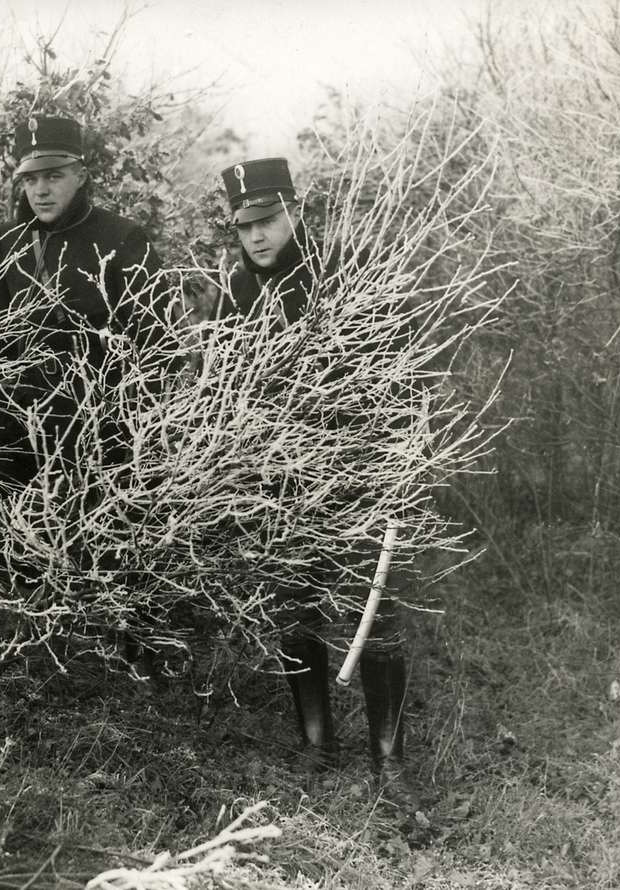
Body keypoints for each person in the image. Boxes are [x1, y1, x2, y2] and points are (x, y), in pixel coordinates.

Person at [0, 115, 166, 638]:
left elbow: (157, 341)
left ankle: (136, 635)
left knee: (117, 527)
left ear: (81, 174)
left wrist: (133, 419)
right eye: (30, 179)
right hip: (22, 414)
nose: (41, 190)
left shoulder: (123, 239)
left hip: (100, 417)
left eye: (53, 176)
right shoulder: (12, 247)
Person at [218, 157, 410, 782]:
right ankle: (317, 747)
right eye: (245, 226)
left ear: (293, 212)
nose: (257, 237)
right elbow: (226, 385)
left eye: (268, 221)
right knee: (294, 609)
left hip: (353, 472)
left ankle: (390, 763)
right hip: (278, 479)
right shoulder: (237, 288)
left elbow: (395, 376)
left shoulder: (341, 276)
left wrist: (390, 463)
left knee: (374, 614)